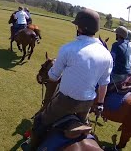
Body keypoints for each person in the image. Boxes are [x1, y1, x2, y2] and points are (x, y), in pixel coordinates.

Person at [31, 8, 113, 149]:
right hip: (86, 104)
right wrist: (100, 104)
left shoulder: (68, 48)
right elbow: (104, 84)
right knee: (84, 127)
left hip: (64, 102)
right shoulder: (107, 55)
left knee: (39, 121)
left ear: (79, 27)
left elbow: (53, 76)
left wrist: (54, 72)